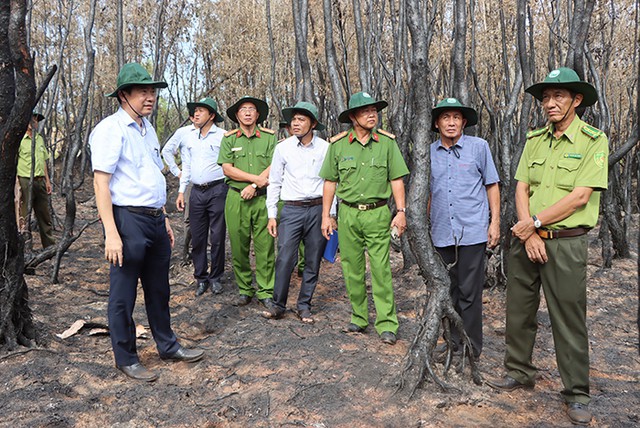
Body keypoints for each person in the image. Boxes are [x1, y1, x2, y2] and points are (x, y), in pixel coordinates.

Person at [486, 68, 608, 426]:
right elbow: (522, 186)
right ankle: (519, 371)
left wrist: (536, 224)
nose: (550, 104)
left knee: (568, 319)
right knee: (518, 312)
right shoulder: (535, 139)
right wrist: (529, 233)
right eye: (545, 98)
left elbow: (580, 197)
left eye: (558, 96)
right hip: (527, 241)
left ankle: (577, 393)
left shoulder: (592, 141)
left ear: (576, 100)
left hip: (566, 244)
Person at [90, 62, 204, 382]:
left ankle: (167, 346)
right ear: (124, 95)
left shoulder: (147, 128)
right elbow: (101, 184)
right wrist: (111, 233)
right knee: (123, 293)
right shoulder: (110, 130)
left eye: (152, 91)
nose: (150, 97)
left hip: (154, 220)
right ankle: (126, 357)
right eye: (143, 91)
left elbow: (153, 176)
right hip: (127, 221)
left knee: (159, 289)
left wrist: (164, 217)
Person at [319, 91, 409, 345]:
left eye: (374, 111)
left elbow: (396, 180)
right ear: (352, 117)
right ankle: (359, 317)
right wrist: (327, 216)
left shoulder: (387, 143)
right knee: (352, 269)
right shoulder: (338, 146)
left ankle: (387, 323)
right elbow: (330, 182)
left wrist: (401, 212)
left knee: (381, 269)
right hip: (347, 214)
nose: (372, 115)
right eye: (365, 111)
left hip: (378, 213)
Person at [429, 98, 500, 360]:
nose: (451, 122)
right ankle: (452, 344)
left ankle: (471, 349)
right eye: (445, 117)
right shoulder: (429, 152)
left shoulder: (479, 148)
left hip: (471, 231)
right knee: (448, 292)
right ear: (437, 123)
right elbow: (426, 193)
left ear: (464, 122)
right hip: (441, 232)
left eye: (456, 117)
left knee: (470, 293)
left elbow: (492, 185)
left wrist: (494, 223)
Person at [262, 102, 336, 323]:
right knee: (285, 258)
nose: (295, 123)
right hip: (291, 210)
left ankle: (304, 306)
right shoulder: (282, 148)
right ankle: (278, 305)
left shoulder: (325, 148)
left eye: (301, 119)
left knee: (313, 260)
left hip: (317, 208)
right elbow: (274, 181)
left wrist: (330, 214)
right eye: (294, 119)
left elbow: (331, 183)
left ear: (313, 124)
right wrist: (272, 214)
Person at [217, 96, 277, 308]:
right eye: (243, 109)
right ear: (237, 115)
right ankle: (245, 289)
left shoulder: (269, 138)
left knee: (266, 247)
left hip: (263, 199)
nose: (248, 112)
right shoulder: (230, 138)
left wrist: (255, 187)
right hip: (236, 198)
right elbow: (227, 168)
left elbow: (274, 165)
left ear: (258, 114)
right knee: (239, 245)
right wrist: (254, 180)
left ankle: (266, 291)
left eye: (252, 109)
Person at [176, 97, 228, 296]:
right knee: (198, 236)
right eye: (195, 111)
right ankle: (201, 277)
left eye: (201, 111)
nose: (196, 114)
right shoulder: (190, 137)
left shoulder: (223, 136)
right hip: (196, 191)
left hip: (218, 190)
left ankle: (216, 277)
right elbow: (186, 166)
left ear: (212, 116)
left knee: (217, 236)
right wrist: (182, 191)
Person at [17, 112, 55, 248]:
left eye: (36, 120)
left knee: (44, 214)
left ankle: (49, 246)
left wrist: (48, 181)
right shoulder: (20, 139)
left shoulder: (39, 138)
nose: (34, 123)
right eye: (32, 120)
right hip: (25, 180)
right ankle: (26, 246)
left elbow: (43, 161)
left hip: (40, 181)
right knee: (24, 215)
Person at [162, 112, 197, 261]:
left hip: (213, 184)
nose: (197, 117)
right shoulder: (184, 132)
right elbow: (166, 151)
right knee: (189, 219)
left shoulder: (219, 134)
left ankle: (204, 254)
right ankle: (185, 253)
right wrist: (177, 172)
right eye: (194, 114)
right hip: (190, 182)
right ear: (190, 117)